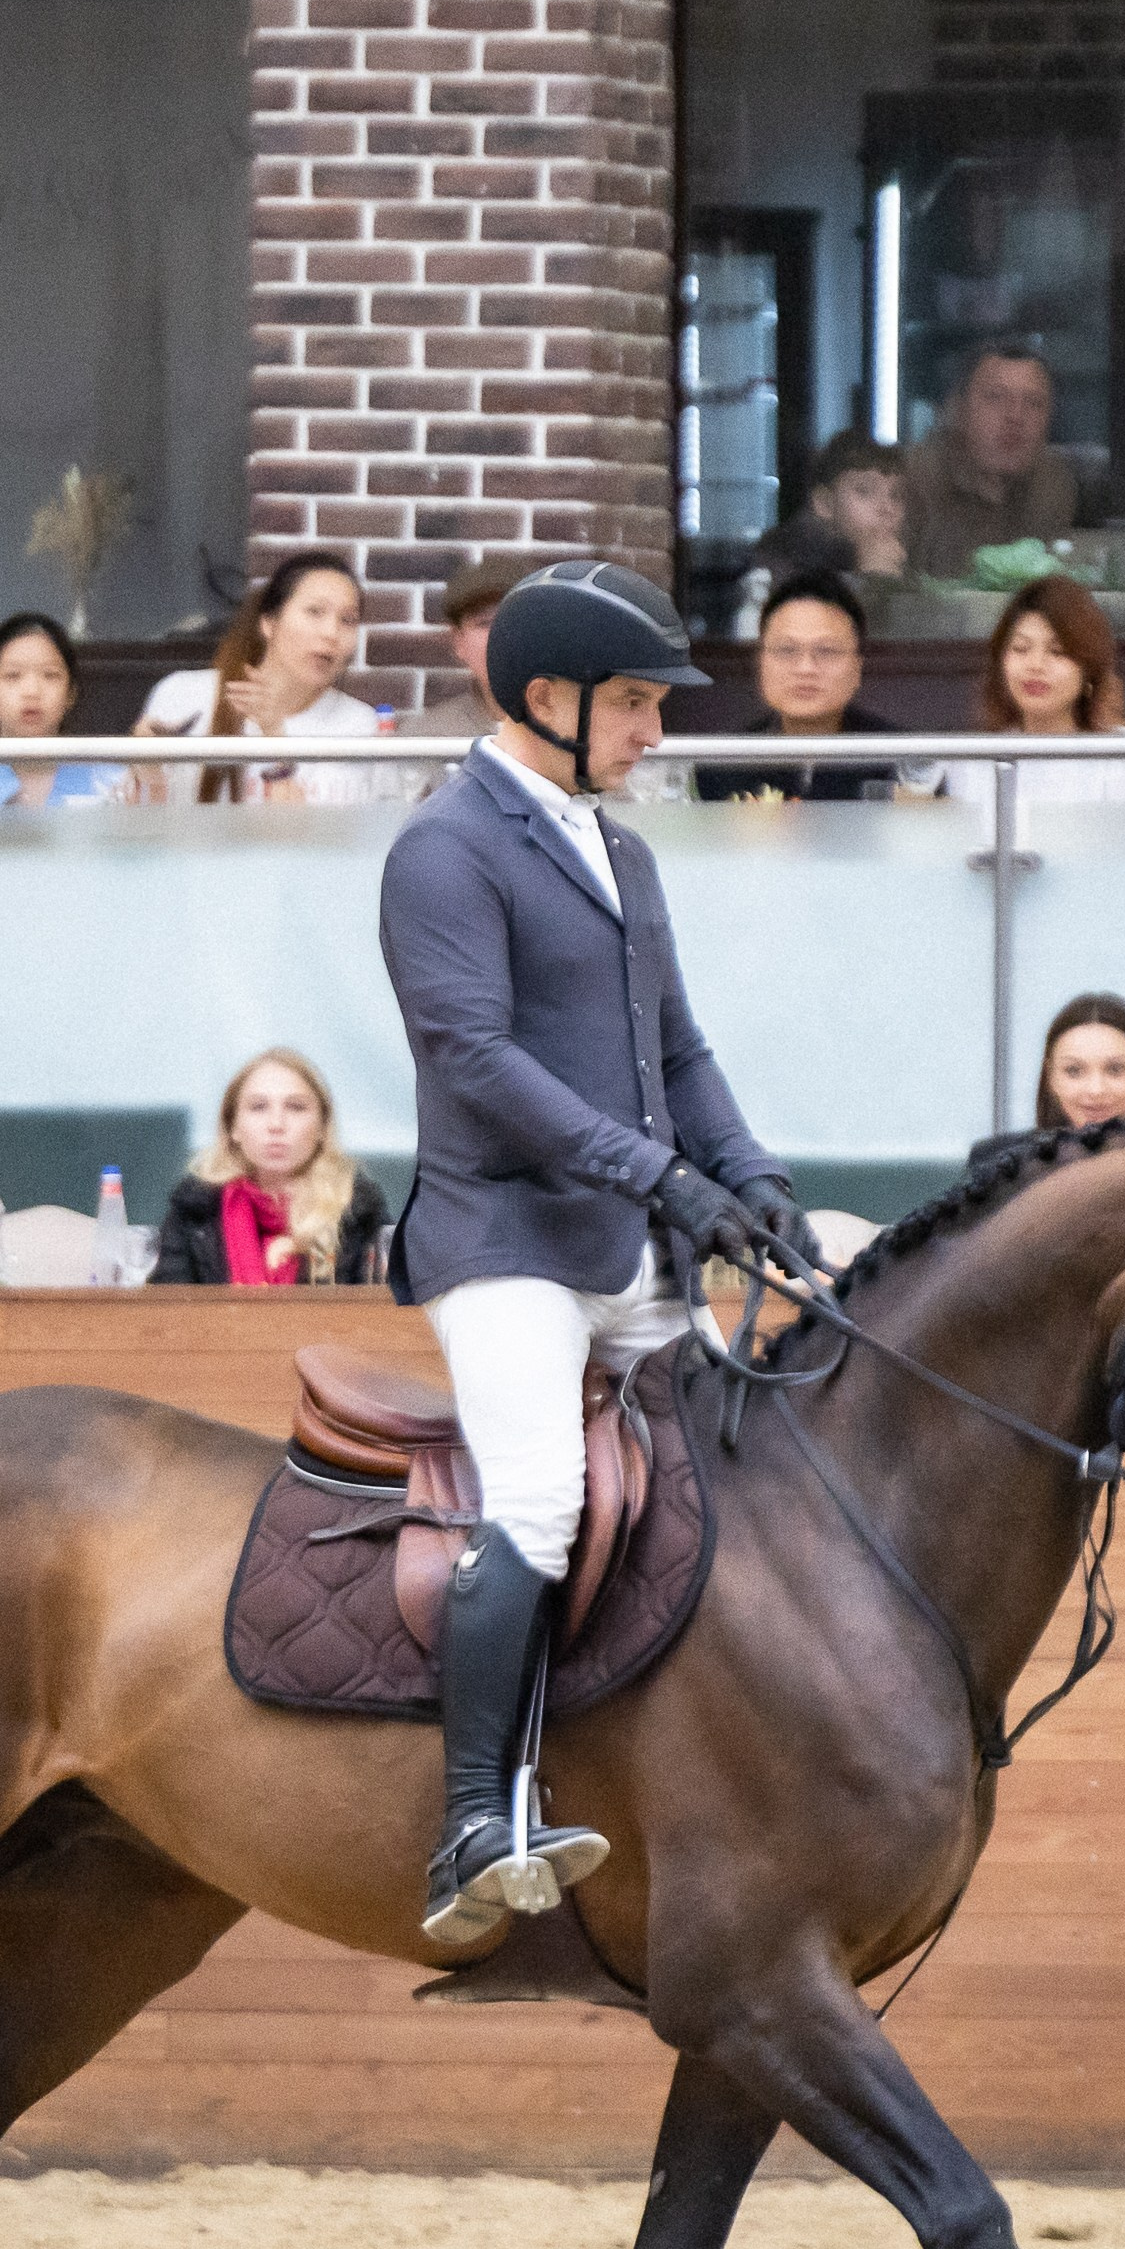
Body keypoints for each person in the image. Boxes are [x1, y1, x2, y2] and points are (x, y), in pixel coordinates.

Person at [378, 560, 804, 1945]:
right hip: (503, 1241)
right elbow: (477, 1060)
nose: (654, 730)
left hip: (623, 1240)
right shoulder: (443, 847)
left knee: (741, 1466)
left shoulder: (620, 849)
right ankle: (469, 1822)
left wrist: (752, 1178)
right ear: (545, 697)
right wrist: (661, 1178)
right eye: (630, 703)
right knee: (545, 1499)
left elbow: (673, 1049)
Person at [134, 552, 377, 803]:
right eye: (315, 612)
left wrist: (274, 735)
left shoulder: (358, 726)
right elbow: (140, 823)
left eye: (348, 620)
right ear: (269, 623)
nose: (331, 633)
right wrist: (146, 764)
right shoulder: (182, 694)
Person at [152, 1049, 389, 1284]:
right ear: (233, 1127)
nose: (276, 1124)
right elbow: (168, 1313)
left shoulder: (358, 1210)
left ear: (322, 1127)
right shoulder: (196, 1209)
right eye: (258, 1107)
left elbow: (390, 1311)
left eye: (295, 1107)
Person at [941, 576, 1125, 822]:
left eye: (1057, 652)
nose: (1035, 665)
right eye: (1020, 649)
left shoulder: (1118, 756)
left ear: (1088, 669)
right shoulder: (976, 760)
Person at [694, 571, 900, 802]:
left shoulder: (900, 759)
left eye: (826, 651)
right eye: (786, 650)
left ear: (857, 667)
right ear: (760, 661)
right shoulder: (723, 764)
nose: (805, 668)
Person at [903, 345, 1078, 579]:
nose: (1016, 416)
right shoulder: (913, 477)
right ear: (959, 409)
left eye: (1033, 402)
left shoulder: (1053, 485)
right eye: (995, 397)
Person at [0, 612, 125, 809]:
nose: (32, 692)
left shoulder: (112, 783)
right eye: (13, 676)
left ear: (70, 693)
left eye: (50, 675)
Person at [967, 995, 1125, 1169]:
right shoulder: (995, 1163)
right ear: (1050, 1076)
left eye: (1115, 1070)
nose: (1096, 1090)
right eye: (1074, 1071)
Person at [399, 555, 530, 741]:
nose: (501, 635)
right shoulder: (425, 737)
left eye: (515, 619)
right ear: (458, 641)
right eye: (484, 623)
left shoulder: (578, 729)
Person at [763, 430, 909, 584]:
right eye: (865, 491)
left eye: (896, 495)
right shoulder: (781, 565)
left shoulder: (913, 567)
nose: (887, 508)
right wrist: (869, 580)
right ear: (824, 503)